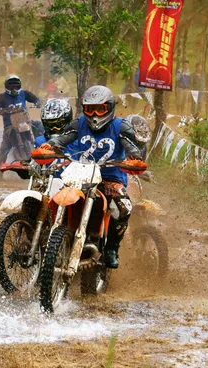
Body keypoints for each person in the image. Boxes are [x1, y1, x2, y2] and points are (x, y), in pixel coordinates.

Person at [41, 85, 142, 269]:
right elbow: (62, 138)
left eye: (100, 109)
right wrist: (48, 146)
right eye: (90, 109)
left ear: (109, 108)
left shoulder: (120, 126)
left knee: (124, 207)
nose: (94, 114)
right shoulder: (79, 123)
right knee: (54, 197)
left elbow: (131, 145)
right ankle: (51, 239)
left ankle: (112, 247)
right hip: (81, 175)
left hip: (110, 179)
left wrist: (134, 158)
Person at [0, 75, 41, 179]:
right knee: (4, 149)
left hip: (25, 122)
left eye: (16, 86)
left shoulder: (24, 93)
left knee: (39, 128)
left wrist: (38, 102)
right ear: (6, 86)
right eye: (11, 86)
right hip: (10, 126)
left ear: (19, 86)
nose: (14, 88)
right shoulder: (1, 97)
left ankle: (43, 154)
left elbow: (36, 99)